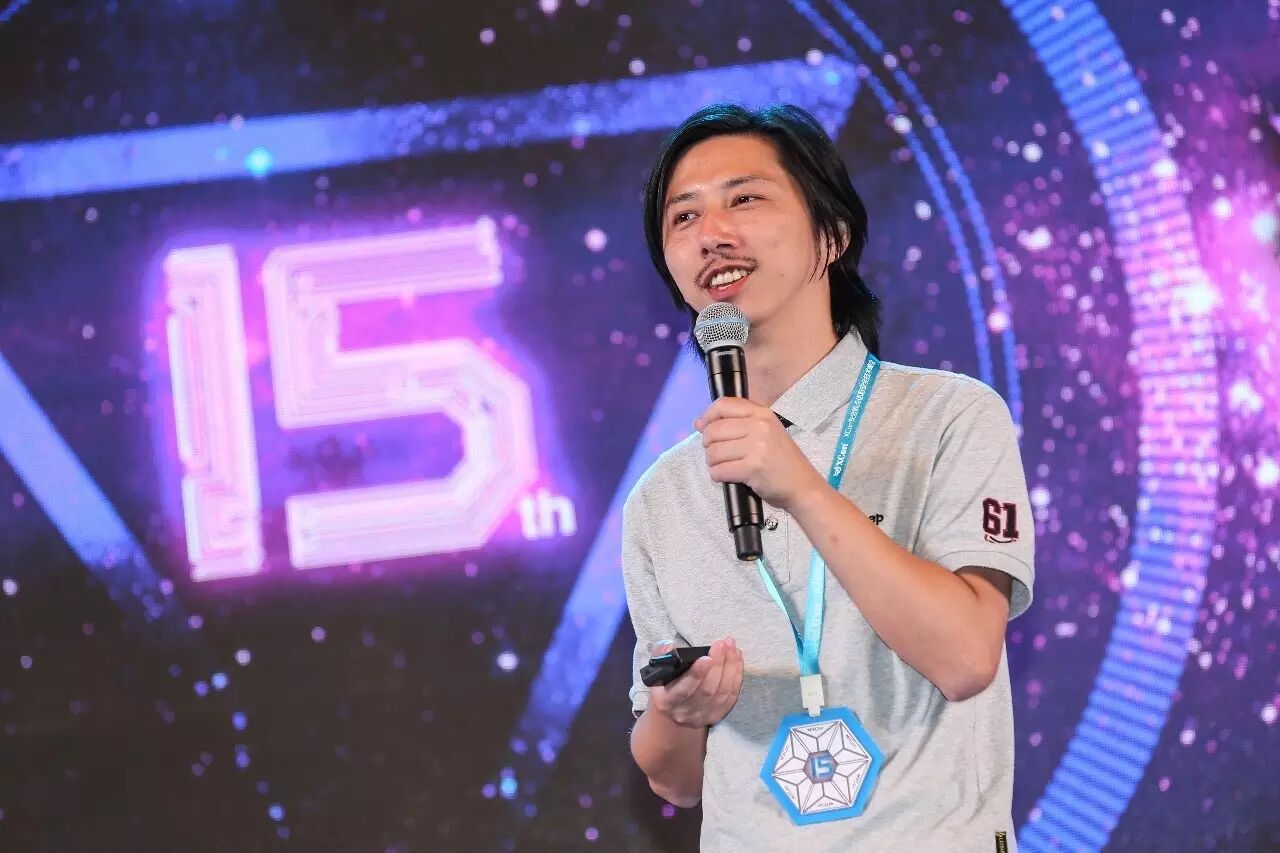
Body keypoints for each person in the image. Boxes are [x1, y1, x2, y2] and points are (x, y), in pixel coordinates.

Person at [622, 103, 1036, 851]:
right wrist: (677, 711)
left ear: (832, 236)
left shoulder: (947, 416)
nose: (711, 233)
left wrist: (803, 487)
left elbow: (967, 658)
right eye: (683, 217)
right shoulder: (662, 498)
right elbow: (674, 780)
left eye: (745, 199)